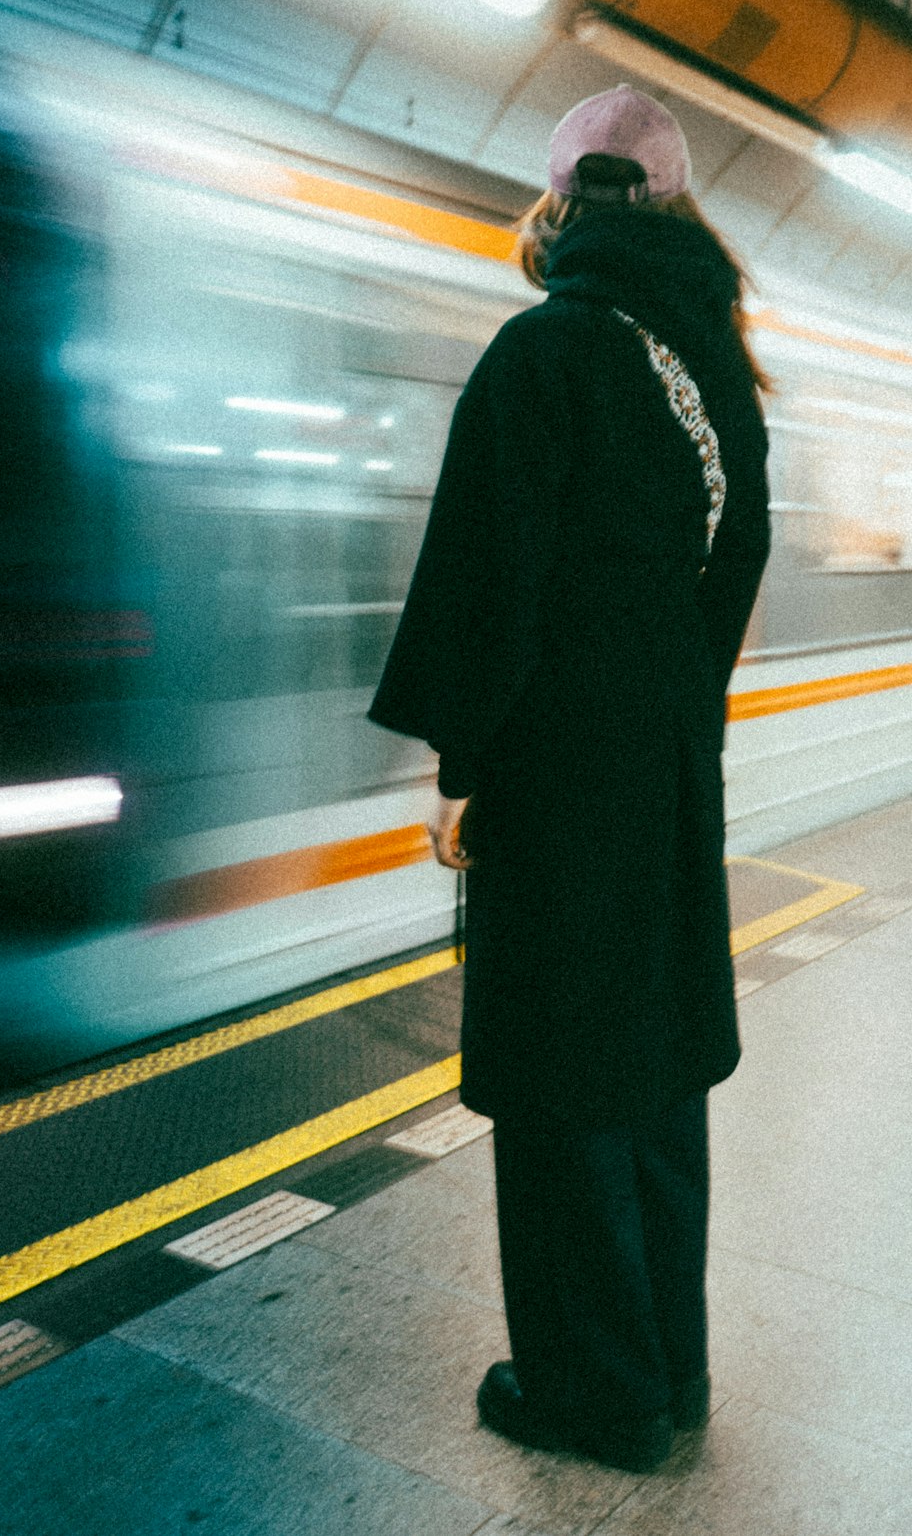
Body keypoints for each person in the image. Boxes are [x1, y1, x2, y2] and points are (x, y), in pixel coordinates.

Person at [368, 84, 771, 1472]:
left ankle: (594, 1394)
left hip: (556, 790)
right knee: (657, 1080)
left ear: (559, 202)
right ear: (672, 207)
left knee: (560, 1090)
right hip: (665, 782)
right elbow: (733, 580)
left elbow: (489, 577)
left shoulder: (545, 353)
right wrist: (671, 714)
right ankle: (672, 1363)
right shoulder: (720, 374)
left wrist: (463, 765)